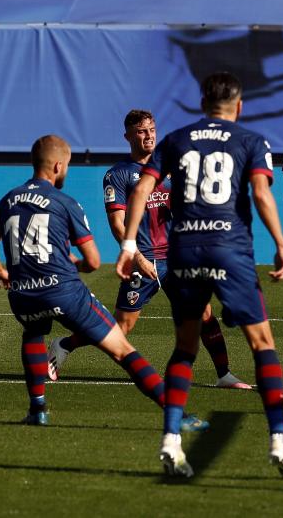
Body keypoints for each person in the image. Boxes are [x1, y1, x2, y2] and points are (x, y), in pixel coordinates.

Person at [117, 72, 283, 478]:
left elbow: (140, 192)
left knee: (185, 348)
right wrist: (282, 245)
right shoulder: (252, 140)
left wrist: (130, 244)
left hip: (183, 251)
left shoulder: (176, 139)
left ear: (202, 105)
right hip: (230, 248)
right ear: (239, 106)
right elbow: (260, 193)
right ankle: (279, 441)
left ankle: (170, 440)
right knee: (262, 343)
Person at [0, 135, 206, 431]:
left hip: (22, 295)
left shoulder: (7, 201)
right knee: (122, 348)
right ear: (59, 165)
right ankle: (178, 416)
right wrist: (79, 264)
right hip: (65, 292)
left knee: (33, 333)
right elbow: (94, 261)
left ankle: (38, 409)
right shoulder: (65, 202)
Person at [46, 110, 249, 390]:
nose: (149, 135)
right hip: (143, 258)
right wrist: (138, 257)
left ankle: (224, 374)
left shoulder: (170, 167)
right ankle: (64, 344)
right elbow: (118, 223)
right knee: (122, 327)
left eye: (152, 129)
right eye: (141, 131)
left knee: (203, 313)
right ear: (128, 136)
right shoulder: (118, 175)